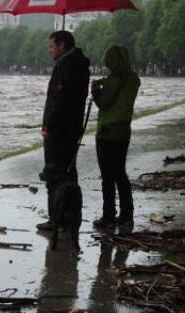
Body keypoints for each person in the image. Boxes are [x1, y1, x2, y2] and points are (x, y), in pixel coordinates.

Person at [36, 30, 90, 231]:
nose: (49, 50)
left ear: (62, 45)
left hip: (59, 130)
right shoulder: (80, 64)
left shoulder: (66, 66)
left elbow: (58, 100)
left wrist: (48, 125)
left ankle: (55, 217)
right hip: (72, 127)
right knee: (68, 172)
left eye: (51, 46)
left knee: (54, 173)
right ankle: (69, 215)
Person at [90, 44, 140, 229]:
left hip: (107, 133)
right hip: (123, 131)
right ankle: (127, 215)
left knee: (107, 176)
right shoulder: (133, 78)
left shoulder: (114, 78)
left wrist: (96, 89)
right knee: (120, 173)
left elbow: (104, 103)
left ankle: (108, 215)